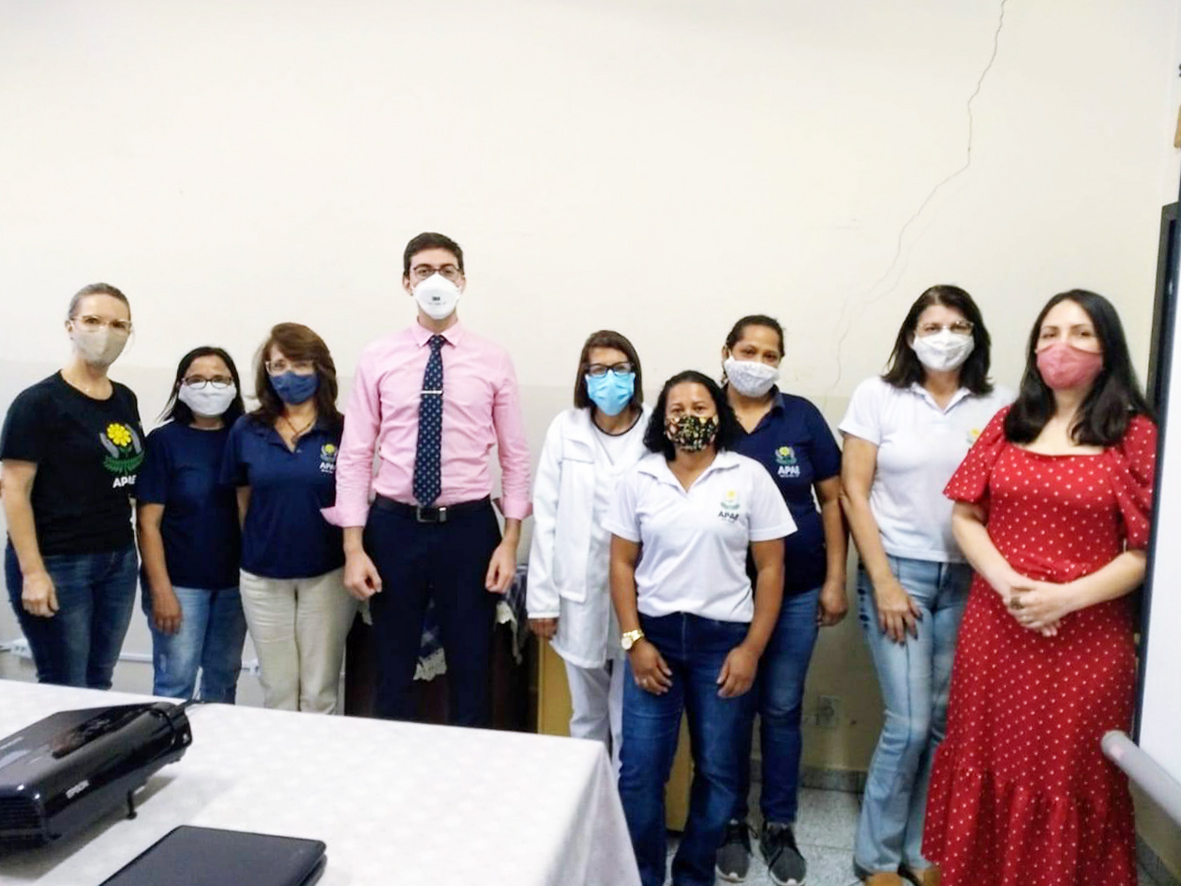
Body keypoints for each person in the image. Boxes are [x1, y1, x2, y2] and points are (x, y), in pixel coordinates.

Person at [923, 291, 1155, 886]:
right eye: (1050, 333)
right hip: (997, 630)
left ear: (1108, 348)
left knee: (1068, 777)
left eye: (1081, 333)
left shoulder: (1135, 435)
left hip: (1085, 641)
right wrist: (1011, 588)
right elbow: (966, 517)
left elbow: (1145, 551)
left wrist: (1065, 598)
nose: (1061, 346)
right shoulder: (1009, 423)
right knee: (987, 761)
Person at [838, 285, 1011, 886]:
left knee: (943, 724)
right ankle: (876, 857)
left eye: (958, 326)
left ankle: (923, 848)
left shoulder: (999, 404)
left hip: (968, 578)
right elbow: (853, 491)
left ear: (976, 336)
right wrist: (882, 580)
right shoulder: (878, 395)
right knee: (908, 723)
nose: (945, 338)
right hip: (898, 572)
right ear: (912, 336)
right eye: (933, 326)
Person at [330, 232, 531, 727]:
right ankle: (393, 767)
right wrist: (353, 548)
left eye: (447, 270)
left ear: (462, 280)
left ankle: (469, 767)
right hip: (394, 527)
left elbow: (515, 456)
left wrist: (510, 542)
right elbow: (355, 455)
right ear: (406, 282)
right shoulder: (378, 357)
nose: (435, 279)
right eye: (423, 270)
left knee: (472, 669)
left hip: (469, 530)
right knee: (391, 669)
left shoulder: (493, 359)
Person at [606, 370, 796, 886]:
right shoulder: (639, 479)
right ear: (662, 421)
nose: (689, 417)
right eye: (677, 409)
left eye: (700, 408)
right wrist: (634, 641)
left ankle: (693, 876)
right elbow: (621, 564)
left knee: (718, 772)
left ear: (719, 415)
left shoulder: (749, 476)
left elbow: (772, 569)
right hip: (654, 641)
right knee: (639, 773)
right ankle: (642, 876)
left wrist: (752, 649)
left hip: (724, 643)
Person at [714, 315, 847, 886]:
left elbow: (833, 501)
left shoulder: (802, 417)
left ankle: (779, 824)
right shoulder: (704, 413)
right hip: (723, 595)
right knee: (729, 707)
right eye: (748, 351)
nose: (758, 363)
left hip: (797, 588)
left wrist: (836, 578)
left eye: (770, 355)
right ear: (726, 352)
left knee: (782, 707)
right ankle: (729, 823)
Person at [1, 283, 142, 689]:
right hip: (59, 561)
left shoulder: (125, 399)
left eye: (118, 324)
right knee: (65, 686)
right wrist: (33, 573)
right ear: (70, 326)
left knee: (99, 681)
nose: (105, 332)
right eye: (93, 320)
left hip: (118, 559)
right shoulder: (38, 403)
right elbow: (13, 490)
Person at [527, 330, 651, 767]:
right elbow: (547, 515)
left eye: (619, 369)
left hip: (639, 595)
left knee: (629, 719)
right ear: (584, 376)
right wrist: (542, 600)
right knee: (586, 716)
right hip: (576, 595)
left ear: (634, 374)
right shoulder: (567, 428)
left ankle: (623, 804)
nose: (609, 379)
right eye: (599, 370)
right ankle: (587, 800)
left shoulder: (654, 431)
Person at [221, 323, 357, 712]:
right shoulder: (247, 429)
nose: (289, 374)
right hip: (263, 578)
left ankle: (317, 754)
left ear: (320, 368)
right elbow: (242, 500)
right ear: (266, 371)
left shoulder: (344, 429)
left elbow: (356, 501)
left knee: (319, 691)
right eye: (278, 365)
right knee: (278, 689)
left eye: (299, 364)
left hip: (327, 576)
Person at [137, 346, 247, 702]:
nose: (208, 387)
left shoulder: (246, 437)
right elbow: (147, 524)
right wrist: (161, 591)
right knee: (175, 683)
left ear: (234, 385)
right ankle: (169, 740)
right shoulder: (164, 442)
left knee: (223, 681)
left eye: (219, 379)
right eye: (197, 379)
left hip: (234, 585)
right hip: (179, 586)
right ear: (180, 386)